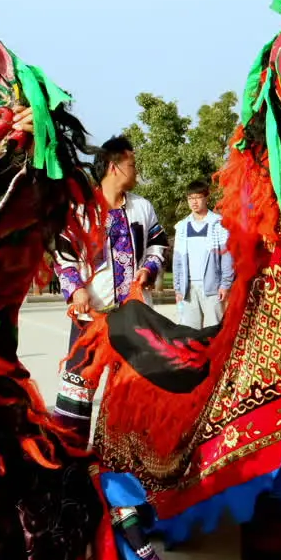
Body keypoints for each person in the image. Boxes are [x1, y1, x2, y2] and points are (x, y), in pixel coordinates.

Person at [52, 134, 168, 441]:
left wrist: (149, 267)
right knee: (77, 393)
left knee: (132, 391)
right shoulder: (80, 210)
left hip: (133, 317)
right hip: (90, 319)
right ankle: (70, 463)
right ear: (114, 167)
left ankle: (121, 465)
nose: (136, 169)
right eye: (132, 163)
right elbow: (63, 257)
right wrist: (76, 289)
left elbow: (158, 245)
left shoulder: (143, 208)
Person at [173, 179, 233, 329]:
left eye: (198, 197)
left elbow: (227, 257)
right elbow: (178, 260)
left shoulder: (219, 224)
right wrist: (178, 288)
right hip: (188, 289)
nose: (194, 202)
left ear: (206, 197)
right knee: (189, 334)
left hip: (212, 288)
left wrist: (225, 284)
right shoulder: (182, 226)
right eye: (190, 198)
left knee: (214, 332)